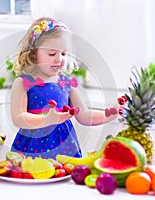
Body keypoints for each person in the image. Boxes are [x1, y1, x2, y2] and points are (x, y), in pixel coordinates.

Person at [10, 17, 118, 159]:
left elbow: (84, 115)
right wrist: (47, 119)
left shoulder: (66, 84)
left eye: (63, 53)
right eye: (52, 53)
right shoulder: (23, 82)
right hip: (31, 149)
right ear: (33, 53)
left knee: (66, 180)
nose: (59, 59)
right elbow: (18, 118)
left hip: (65, 148)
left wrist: (108, 115)